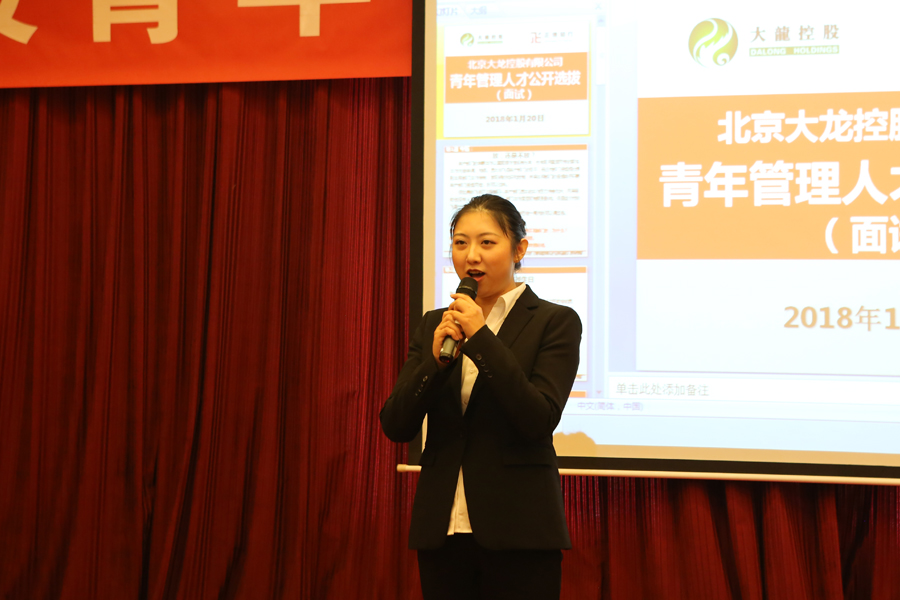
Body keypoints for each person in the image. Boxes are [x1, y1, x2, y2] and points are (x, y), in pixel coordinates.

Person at [380, 194, 582, 600]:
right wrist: (434, 366)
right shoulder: (435, 324)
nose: (471, 256)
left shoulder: (555, 321)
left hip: (519, 530)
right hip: (443, 530)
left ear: (519, 249)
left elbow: (538, 418)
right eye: (460, 243)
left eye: (487, 242)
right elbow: (396, 424)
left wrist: (481, 337)